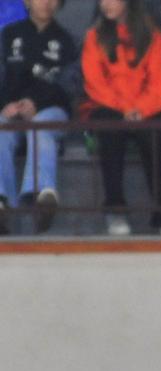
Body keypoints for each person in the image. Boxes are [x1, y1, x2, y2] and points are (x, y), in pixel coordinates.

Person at [80, 0, 161, 236]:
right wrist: (125, 109)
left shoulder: (152, 36)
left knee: (153, 134)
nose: (106, 4)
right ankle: (115, 210)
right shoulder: (94, 37)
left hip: (146, 108)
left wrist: (141, 109)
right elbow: (95, 82)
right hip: (108, 106)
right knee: (109, 129)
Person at [0, 0, 76, 235]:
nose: (47, 3)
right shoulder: (8, 35)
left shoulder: (67, 40)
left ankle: (40, 196)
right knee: (1, 130)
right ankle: (2, 202)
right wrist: (5, 105)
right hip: (11, 109)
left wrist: (36, 103)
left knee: (42, 125)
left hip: (52, 110)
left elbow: (69, 86)